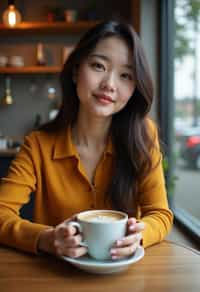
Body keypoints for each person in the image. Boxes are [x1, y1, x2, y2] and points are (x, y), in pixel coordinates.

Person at [0, 20, 173, 260]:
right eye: (98, 66)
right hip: (55, 275)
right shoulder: (38, 144)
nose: (109, 85)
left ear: (135, 86)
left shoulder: (144, 135)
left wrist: (139, 237)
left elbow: (160, 214)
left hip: (123, 275)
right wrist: (47, 239)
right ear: (75, 70)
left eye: (125, 75)